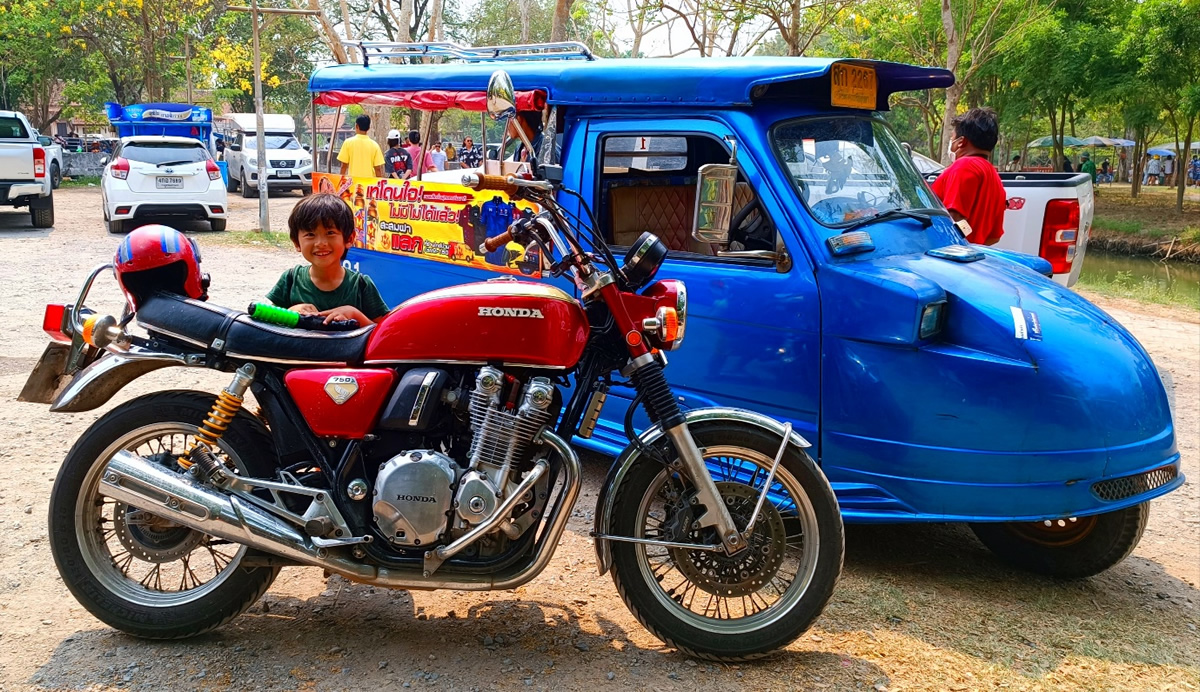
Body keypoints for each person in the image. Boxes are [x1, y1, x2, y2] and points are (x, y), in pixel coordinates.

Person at [266, 193, 389, 328]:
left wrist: (355, 315)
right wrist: (290, 313)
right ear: (296, 242)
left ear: (349, 239)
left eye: (330, 233)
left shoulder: (361, 286)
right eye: (310, 234)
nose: (320, 243)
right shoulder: (290, 280)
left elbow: (383, 333)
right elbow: (267, 325)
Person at [930, 107, 1006, 246]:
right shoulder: (994, 176)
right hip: (973, 255)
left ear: (961, 142)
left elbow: (954, 219)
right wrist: (972, 245)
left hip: (947, 253)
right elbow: (994, 236)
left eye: (952, 138)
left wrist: (962, 243)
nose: (951, 142)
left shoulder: (964, 166)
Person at [338, 115, 384, 179]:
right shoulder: (375, 145)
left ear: (356, 126)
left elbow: (343, 166)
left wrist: (340, 180)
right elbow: (378, 169)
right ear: (368, 128)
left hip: (353, 182)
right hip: (369, 183)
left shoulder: (348, 142)